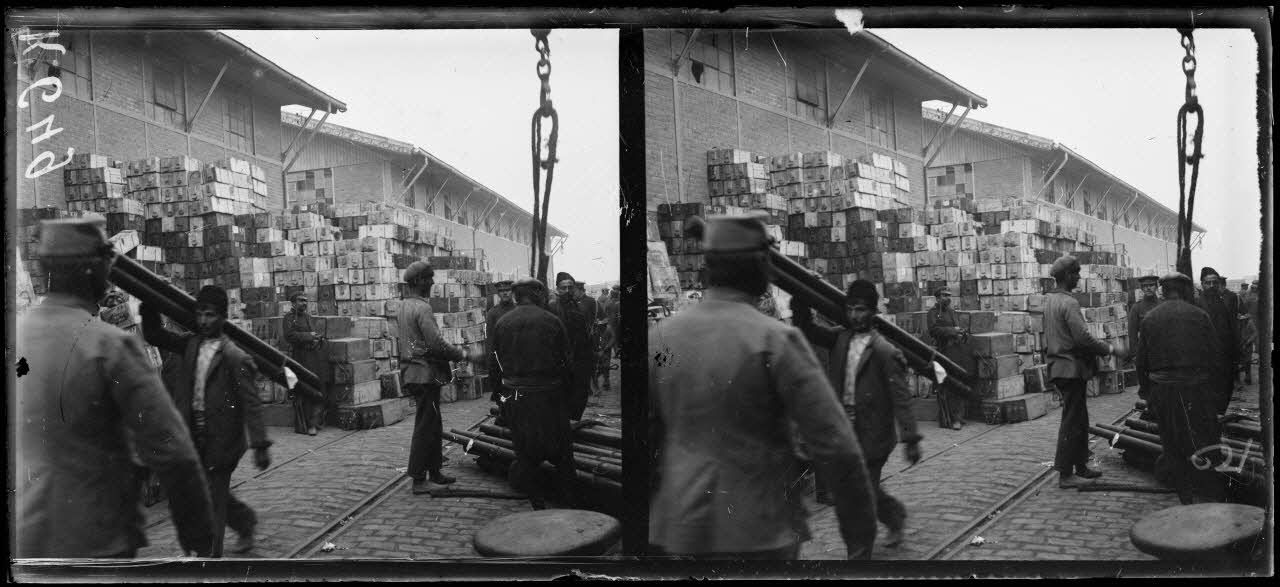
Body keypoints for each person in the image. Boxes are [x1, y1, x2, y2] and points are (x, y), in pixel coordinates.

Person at [650, 212, 878, 560]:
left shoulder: (661, 338)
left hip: (682, 528)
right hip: (760, 531)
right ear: (759, 265)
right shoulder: (775, 340)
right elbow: (837, 446)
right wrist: (860, 539)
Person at [15, 217, 215, 558]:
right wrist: (199, 541)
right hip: (97, 540)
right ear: (93, 270)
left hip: (26, 542)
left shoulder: (17, 337)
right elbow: (173, 452)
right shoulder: (109, 346)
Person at [141, 284, 272, 557]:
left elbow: (251, 403)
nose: (203, 320)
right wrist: (150, 300)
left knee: (213, 503)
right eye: (199, 314)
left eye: (210, 314)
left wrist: (260, 445)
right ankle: (244, 521)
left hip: (222, 441)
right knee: (204, 493)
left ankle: (211, 560)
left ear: (223, 317)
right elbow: (154, 335)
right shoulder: (190, 344)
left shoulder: (234, 356)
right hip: (193, 437)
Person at [792, 279, 923, 548]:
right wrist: (801, 296)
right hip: (845, 431)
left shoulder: (885, 351)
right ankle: (893, 515)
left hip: (874, 434)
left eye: (861, 309)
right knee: (859, 488)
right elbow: (807, 329)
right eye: (850, 309)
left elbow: (901, 398)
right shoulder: (840, 338)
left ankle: (863, 550)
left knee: (864, 493)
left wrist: (911, 439)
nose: (854, 315)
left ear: (873, 312)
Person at [1136, 272, 1227, 504]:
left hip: (1163, 391)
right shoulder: (1200, 315)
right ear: (1185, 290)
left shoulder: (1150, 318)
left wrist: (1147, 394)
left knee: (1172, 445)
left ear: (1163, 290)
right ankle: (1210, 494)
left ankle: (1185, 498)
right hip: (1196, 390)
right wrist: (1216, 396)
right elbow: (1216, 357)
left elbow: (1141, 362)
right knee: (1204, 440)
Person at [490, 277, 577, 509]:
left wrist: (501, 399)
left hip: (516, 396)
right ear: (538, 294)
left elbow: (494, 365)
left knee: (525, 454)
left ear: (516, 295)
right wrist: (567, 399)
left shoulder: (502, 323)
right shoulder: (552, 321)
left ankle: (537, 504)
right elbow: (568, 364)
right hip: (549, 396)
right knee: (563, 454)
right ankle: (568, 504)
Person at [399, 261, 485, 494]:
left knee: (433, 423)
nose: (432, 282)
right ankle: (419, 479)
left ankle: (435, 472)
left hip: (414, 372)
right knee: (426, 426)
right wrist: (466, 355)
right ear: (419, 281)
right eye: (429, 278)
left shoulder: (404, 305)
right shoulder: (422, 308)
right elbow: (436, 344)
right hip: (424, 373)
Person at [1043, 255, 1122, 489]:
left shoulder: (1050, 300)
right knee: (1072, 421)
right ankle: (1066, 474)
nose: (1078, 277)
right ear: (1067, 276)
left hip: (1060, 367)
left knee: (1079, 419)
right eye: (1076, 273)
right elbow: (1082, 338)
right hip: (1070, 368)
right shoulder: (1069, 303)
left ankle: (1080, 466)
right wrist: (1108, 348)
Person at [549, 271, 594, 421]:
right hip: (562, 364)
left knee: (579, 397)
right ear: (557, 289)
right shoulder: (553, 307)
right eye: (564, 288)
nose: (567, 291)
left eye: (570, 287)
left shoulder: (578, 307)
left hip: (580, 361)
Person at [282, 293, 328, 436]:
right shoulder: (289, 318)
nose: (304, 303)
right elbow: (289, 336)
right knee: (304, 390)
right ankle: (308, 425)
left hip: (314, 357)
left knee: (317, 387)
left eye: (306, 301)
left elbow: (312, 333)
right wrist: (309, 336)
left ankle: (316, 421)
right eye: (301, 301)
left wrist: (317, 338)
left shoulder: (308, 317)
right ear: (293, 303)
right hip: (299, 358)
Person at [926, 287, 971, 430]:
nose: (948, 298)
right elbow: (934, 330)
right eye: (945, 295)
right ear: (938, 298)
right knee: (947, 385)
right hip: (943, 352)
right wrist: (953, 331)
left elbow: (956, 327)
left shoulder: (952, 312)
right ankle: (951, 419)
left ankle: (959, 417)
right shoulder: (932, 313)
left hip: (957, 351)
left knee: (959, 383)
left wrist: (961, 332)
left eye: (949, 295)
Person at [1196, 267, 1240, 414]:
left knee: (1225, 391)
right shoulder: (1197, 304)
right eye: (1208, 283)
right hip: (1205, 359)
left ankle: (1219, 415)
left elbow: (1232, 328)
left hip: (1225, 357)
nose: (1211, 286)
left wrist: (1236, 353)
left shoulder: (1226, 301)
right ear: (1202, 284)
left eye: (1214, 282)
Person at [485, 280, 516, 424]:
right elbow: (490, 338)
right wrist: (491, 360)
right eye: (502, 291)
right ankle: (504, 412)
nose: (505, 293)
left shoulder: (518, 310)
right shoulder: (493, 313)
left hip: (516, 356)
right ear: (498, 293)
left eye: (507, 290)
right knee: (500, 388)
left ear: (512, 292)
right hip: (500, 358)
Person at [1127, 274, 1162, 400]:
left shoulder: (1163, 304)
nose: (1148, 288)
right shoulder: (1137, 308)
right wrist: (1135, 354)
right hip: (1145, 352)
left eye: (1151, 285)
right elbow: (1132, 333)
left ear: (1156, 287)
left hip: (1162, 351)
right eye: (1145, 286)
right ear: (1141, 288)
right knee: (1146, 386)